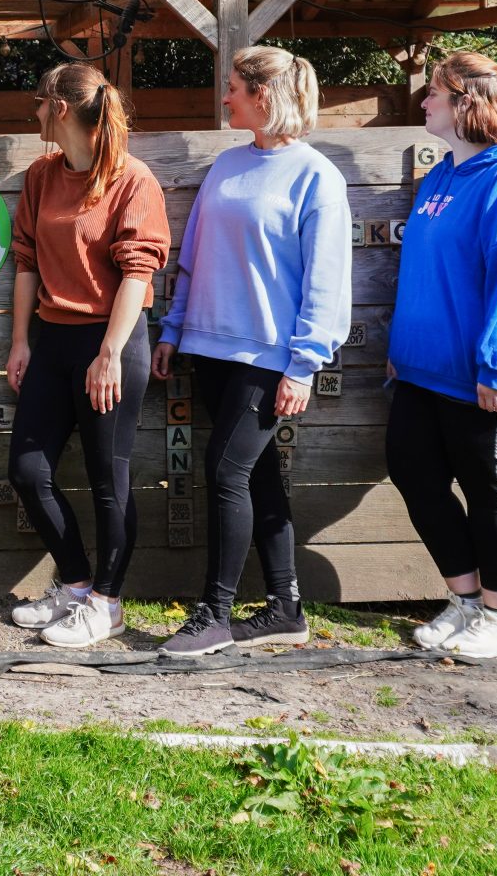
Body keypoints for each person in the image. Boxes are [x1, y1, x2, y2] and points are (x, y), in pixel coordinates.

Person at [154, 46, 351, 656]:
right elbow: (194, 257)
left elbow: (328, 278)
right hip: (209, 350)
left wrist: (305, 363)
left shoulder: (316, 175)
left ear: (264, 95)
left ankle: (215, 612)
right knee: (258, 476)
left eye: (234, 87)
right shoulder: (226, 164)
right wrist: (173, 330)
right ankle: (286, 608)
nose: (226, 96)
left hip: (269, 358)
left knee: (225, 472)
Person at [384, 51, 497, 660]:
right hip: (425, 370)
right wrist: (401, 351)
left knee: (489, 484)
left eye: (434, 91)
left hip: (489, 375)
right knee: (412, 471)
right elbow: (424, 271)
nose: (424, 101)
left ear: (466, 100)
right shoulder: (442, 175)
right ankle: (465, 603)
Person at [4, 62, 170, 649]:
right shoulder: (42, 175)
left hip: (112, 342)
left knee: (109, 479)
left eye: (40, 102)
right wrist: (22, 340)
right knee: (27, 469)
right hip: (52, 340)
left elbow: (138, 271)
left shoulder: (131, 180)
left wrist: (109, 354)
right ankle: (74, 584)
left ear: (63, 109)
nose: (35, 111)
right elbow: (25, 260)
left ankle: (108, 602)